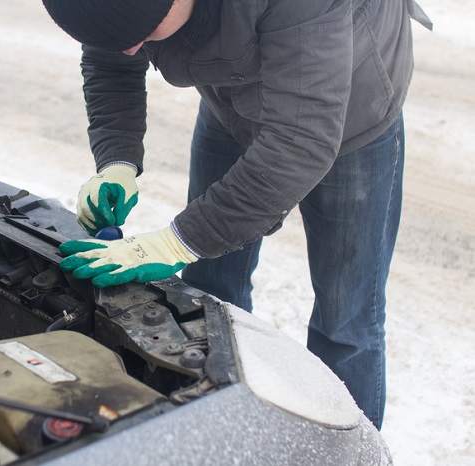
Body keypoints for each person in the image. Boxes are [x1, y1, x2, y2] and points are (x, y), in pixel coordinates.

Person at [42, 0, 431, 430]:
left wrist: (179, 240)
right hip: (233, 105)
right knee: (210, 291)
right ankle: (227, 425)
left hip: (353, 115)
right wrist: (117, 159)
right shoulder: (131, 17)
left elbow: (300, 139)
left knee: (346, 322)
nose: (132, 50)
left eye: (141, 32)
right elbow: (112, 58)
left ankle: (350, 455)